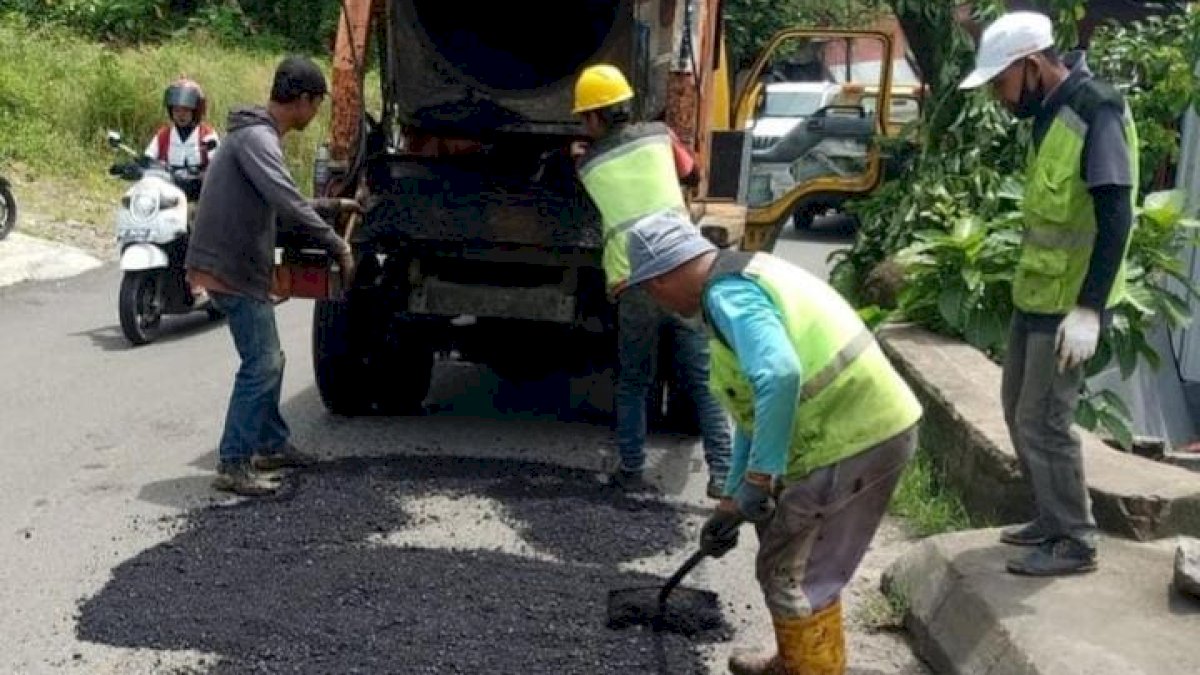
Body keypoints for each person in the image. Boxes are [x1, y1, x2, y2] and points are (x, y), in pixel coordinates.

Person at [621, 215, 923, 674]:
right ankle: (795, 661)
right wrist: (732, 500)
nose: (656, 301)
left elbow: (780, 376)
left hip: (852, 437)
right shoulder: (740, 277)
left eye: (650, 289)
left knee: (792, 576)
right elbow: (753, 406)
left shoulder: (728, 296)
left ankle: (810, 668)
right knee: (801, 565)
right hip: (852, 430)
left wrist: (761, 478)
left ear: (664, 276)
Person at [959, 11, 1139, 576]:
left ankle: (1075, 539)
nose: (998, 97)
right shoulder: (1049, 114)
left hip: (1071, 304)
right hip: (1035, 295)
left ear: (1031, 66)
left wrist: (1090, 307)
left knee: (1046, 419)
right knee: (1017, 409)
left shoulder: (1096, 109)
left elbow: (1115, 215)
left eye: (1000, 83)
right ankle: (1049, 515)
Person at [185, 55, 361, 497]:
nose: (316, 113)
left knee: (269, 359)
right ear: (300, 101)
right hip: (230, 267)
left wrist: (331, 207)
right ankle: (234, 462)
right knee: (261, 364)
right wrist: (337, 244)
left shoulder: (255, 135)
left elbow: (279, 197)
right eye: (316, 104)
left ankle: (269, 444)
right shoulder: (259, 138)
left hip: (236, 263)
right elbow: (284, 201)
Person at [570, 63, 732, 499]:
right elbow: (692, 173)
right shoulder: (661, 137)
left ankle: (632, 472)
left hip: (635, 280)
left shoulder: (588, 165)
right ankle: (724, 477)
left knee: (634, 382)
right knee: (703, 381)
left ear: (592, 118)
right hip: (686, 270)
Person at [145, 77, 220, 189]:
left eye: (186, 110)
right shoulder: (164, 135)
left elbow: (218, 167)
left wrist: (200, 176)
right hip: (167, 190)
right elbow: (148, 158)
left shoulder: (207, 134)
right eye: (176, 110)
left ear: (195, 111)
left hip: (200, 193)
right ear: (171, 111)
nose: (181, 115)